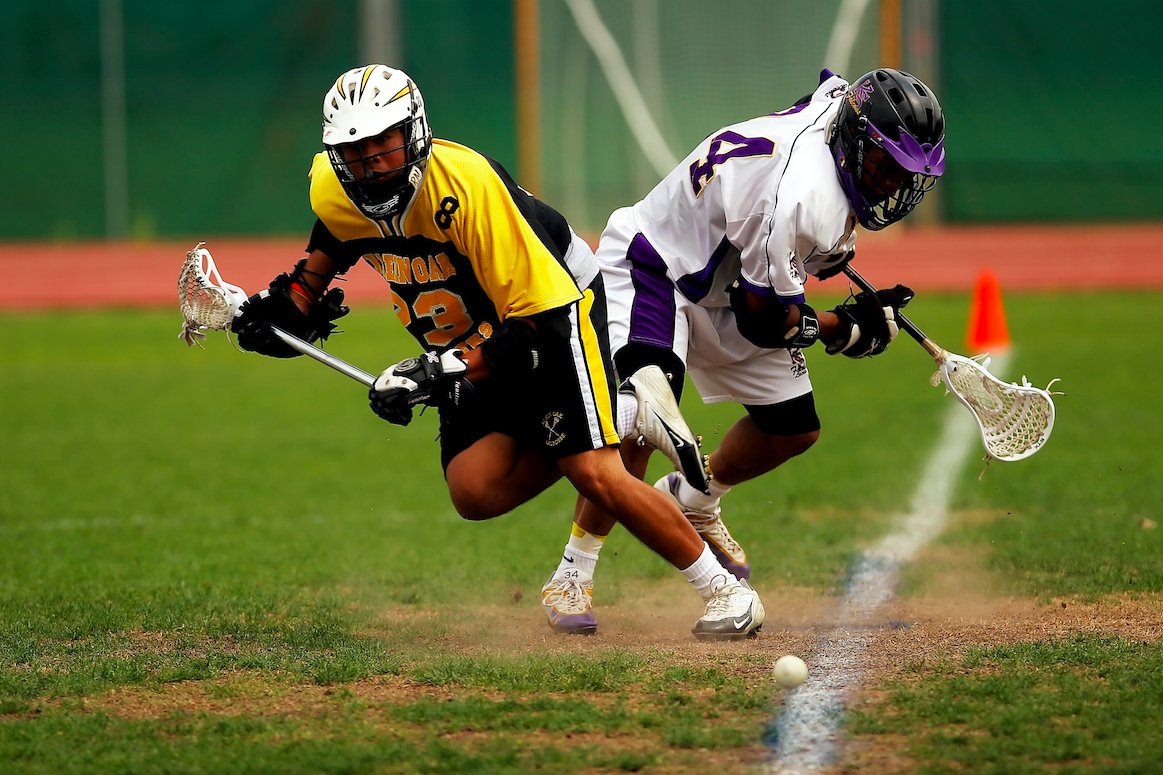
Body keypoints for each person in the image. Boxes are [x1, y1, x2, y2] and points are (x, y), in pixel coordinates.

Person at [230, 64, 764, 641]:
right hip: (468, 337)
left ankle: (726, 593)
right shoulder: (335, 192)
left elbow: (538, 321)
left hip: (556, 307)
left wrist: (439, 371)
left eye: (383, 143)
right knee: (475, 489)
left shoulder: (466, 188)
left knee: (591, 470)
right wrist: (283, 309)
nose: (372, 164)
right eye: (355, 152)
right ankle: (622, 414)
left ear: (414, 132)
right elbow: (326, 253)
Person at [540, 68, 944, 633]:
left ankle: (694, 497)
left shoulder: (836, 115)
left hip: (725, 283)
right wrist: (847, 329)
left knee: (793, 428)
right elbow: (766, 322)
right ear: (853, 143)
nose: (892, 186)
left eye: (905, 175)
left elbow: (824, 89)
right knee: (642, 424)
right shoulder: (798, 198)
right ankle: (572, 573)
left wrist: (828, 275)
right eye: (886, 166)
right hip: (657, 268)